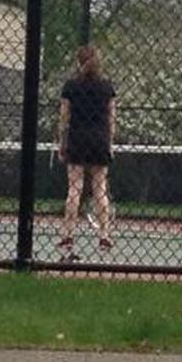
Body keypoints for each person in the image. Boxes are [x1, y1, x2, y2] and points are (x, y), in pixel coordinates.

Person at [56, 44, 115, 258]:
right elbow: (111, 119)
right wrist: (110, 143)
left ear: (78, 62)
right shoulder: (106, 87)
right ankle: (105, 235)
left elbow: (64, 118)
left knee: (74, 188)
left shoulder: (71, 87)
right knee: (100, 189)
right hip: (99, 139)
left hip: (77, 139)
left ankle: (68, 234)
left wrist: (62, 142)